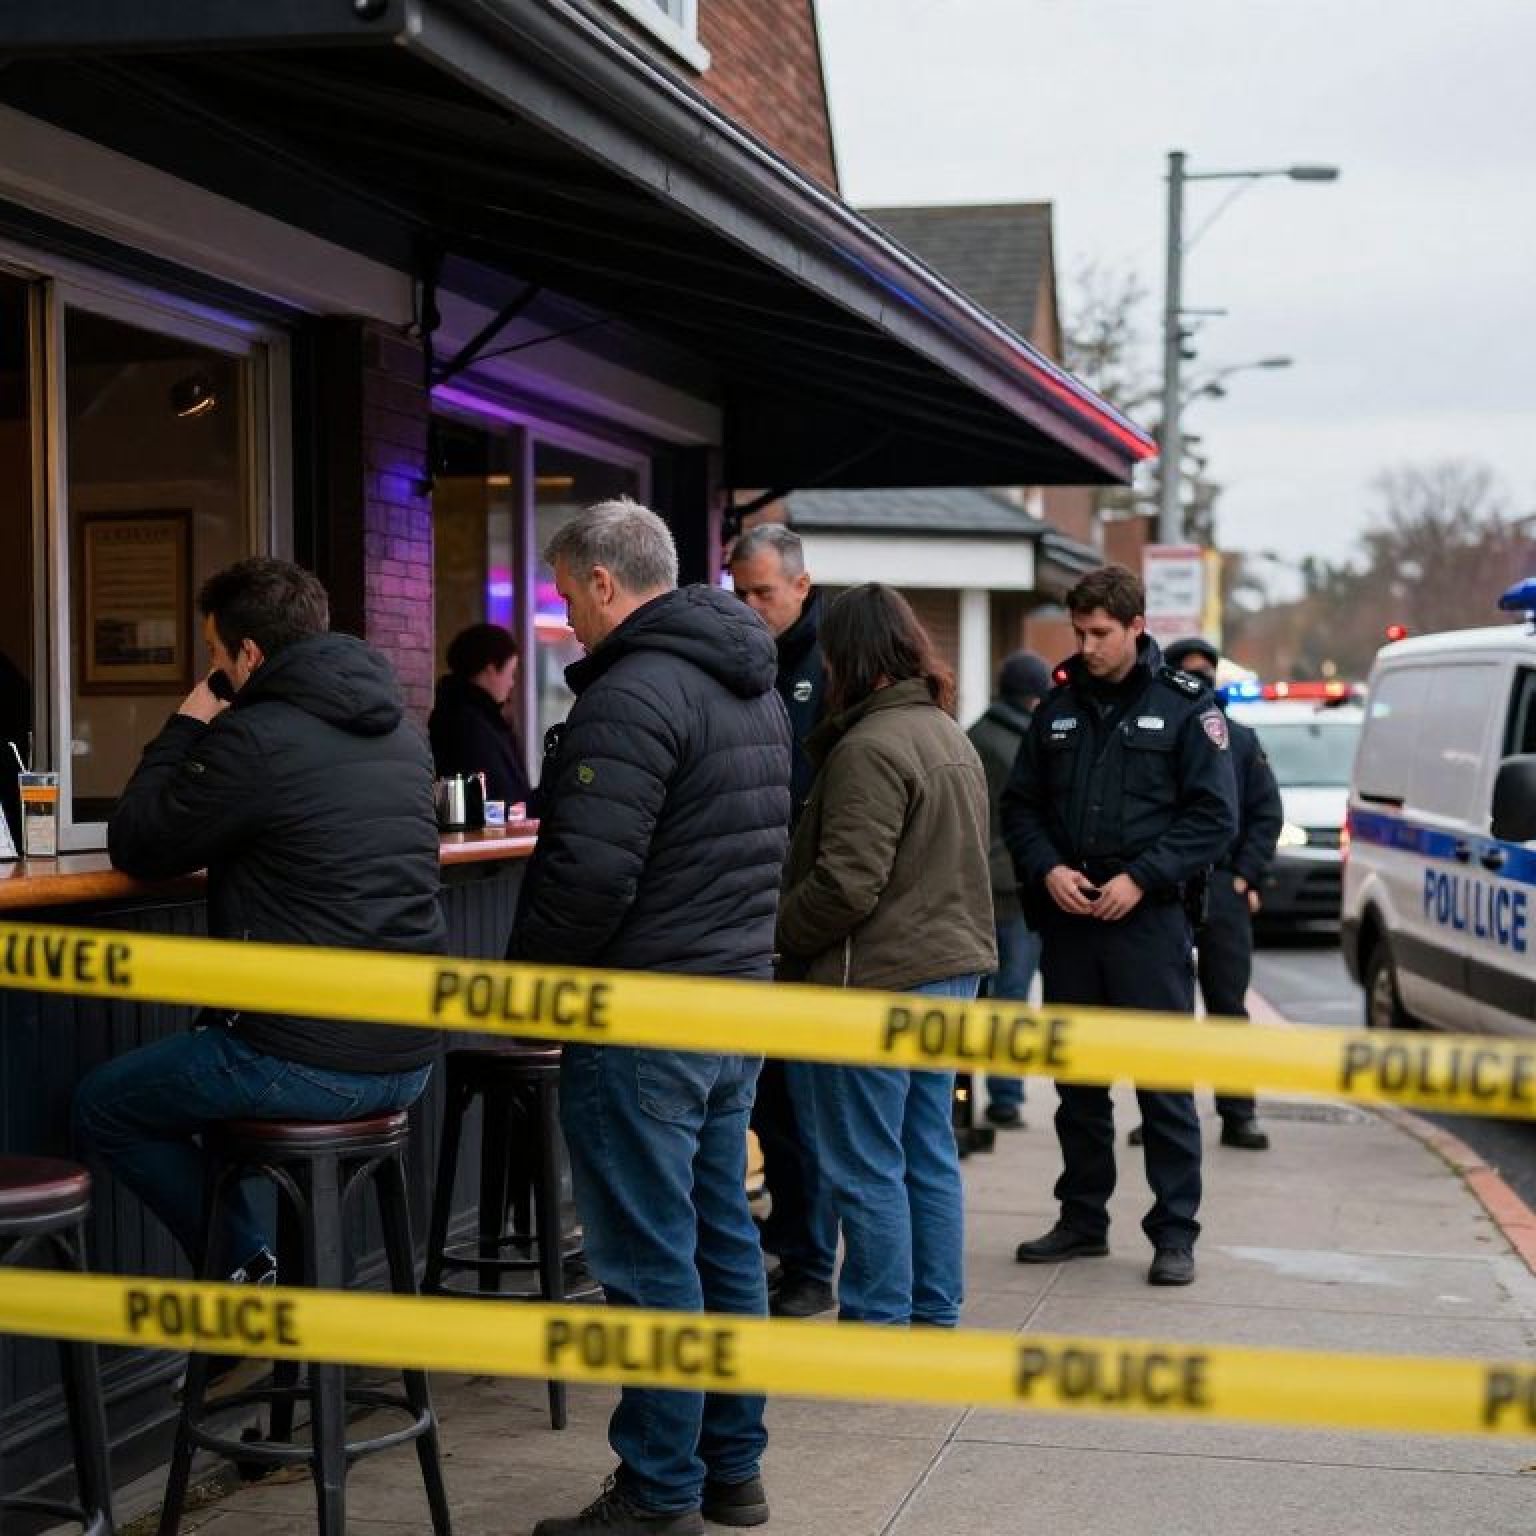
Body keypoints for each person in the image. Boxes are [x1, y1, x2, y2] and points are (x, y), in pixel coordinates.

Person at [73, 558, 445, 1384]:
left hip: (309, 1057)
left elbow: (139, 841)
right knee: (203, 1073)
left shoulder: (254, 736)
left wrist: (189, 719)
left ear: (245, 654)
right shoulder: (400, 729)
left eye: (216, 657)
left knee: (105, 1105)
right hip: (409, 1058)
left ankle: (247, 1281)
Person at [508, 499, 791, 1536]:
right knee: (720, 1239)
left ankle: (658, 1487)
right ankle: (732, 1471)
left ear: (601, 581)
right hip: (730, 1001)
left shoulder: (630, 693)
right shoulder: (748, 682)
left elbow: (587, 876)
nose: (567, 621)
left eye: (565, 595)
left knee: (645, 1255)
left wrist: (528, 989)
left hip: (643, 1012)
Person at [1002, 564, 1236, 1288]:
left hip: (1149, 923)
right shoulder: (1058, 705)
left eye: (1100, 632)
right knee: (1078, 1084)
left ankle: (1173, 1233)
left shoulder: (1188, 706)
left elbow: (1214, 818)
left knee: (1162, 1087)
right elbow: (1021, 806)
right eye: (1079, 631)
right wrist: (1048, 869)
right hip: (1072, 919)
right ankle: (1082, 1219)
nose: (1087, 645)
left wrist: (1143, 876)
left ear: (1138, 627)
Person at [777, 584, 995, 1328]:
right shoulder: (944, 732)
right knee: (927, 1151)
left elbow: (846, 885)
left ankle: (877, 1317)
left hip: (877, 978)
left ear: (849, 656)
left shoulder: (870, 745)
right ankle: (933, 1311)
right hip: (947, 970)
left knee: (865, 1161)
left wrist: (777, 931)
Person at [727, 523, 837, 1317]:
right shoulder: (742, 662)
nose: (752, 607)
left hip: (807, 914)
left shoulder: (832, 665)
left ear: (802, 585)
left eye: (763, 592)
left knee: (800, 1106)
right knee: (765, 1101)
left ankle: (809, 1263)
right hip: (749, 908)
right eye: (741, 594)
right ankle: (781, 1248)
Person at [1159, 636, 1283, 1150]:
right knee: (1166, 1008)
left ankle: (1238, 1113)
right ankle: (1163, 1115)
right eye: (1189, 673)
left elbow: (1265, 815)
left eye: (1206, 674)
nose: (1200, 683)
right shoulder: (1156, 737)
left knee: (1227, 1004)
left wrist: (1244, 875)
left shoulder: (1241, 741)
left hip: (1222, 886)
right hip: (1164, 884)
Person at [966, 650, 1052, 1129]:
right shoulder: (1027, 745)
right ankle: (1004, 1096)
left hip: (977, 887)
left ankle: (963, 1097)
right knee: (1012, 996)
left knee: (975, 996)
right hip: (1018, 887)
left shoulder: (976, 735)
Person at [427, 621, 532, 808]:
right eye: (510, 673)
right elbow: (502, 795)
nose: (512, 683)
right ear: (491, 670)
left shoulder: (474, 718)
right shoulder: (468, 725)